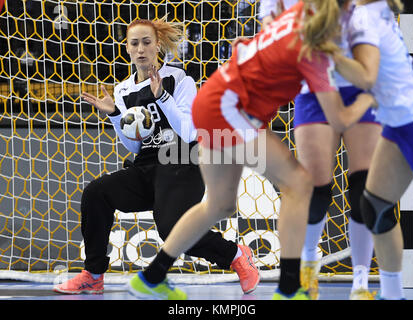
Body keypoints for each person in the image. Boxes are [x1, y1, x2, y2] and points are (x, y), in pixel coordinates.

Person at [127, 0, 378, 300]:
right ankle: (288, 290)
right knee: (299, 184)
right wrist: (372, 98)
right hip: (230, 109)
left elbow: (250, 44)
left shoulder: (293, 16)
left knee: (219, 204)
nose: (353, 18)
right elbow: (339, 118)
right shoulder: (314, 49)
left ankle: (151, 277)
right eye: (350, 11)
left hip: (212, 99)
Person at [53, 17, 260, 295]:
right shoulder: (123, 90)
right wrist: (115, 115)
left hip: (181, 163)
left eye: (147, 42)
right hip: (146, 167)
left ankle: (235, 255)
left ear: (157, 45)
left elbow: (188, 133)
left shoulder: (179, 79)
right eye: (134, 43)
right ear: (126, 48)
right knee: (96, 193)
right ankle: (93, 274)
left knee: (170, 228)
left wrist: (162, 96)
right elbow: (135, 147)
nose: (141, 49)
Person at [260, 0, 380, 300]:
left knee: (364, 189)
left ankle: (361, 284)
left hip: (358, 80)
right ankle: (309, 265)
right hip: (312, 87)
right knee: (315, 190)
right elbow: (270, 34)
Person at [333, 0, 413, 300]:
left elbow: (367, 77)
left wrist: (326, 53)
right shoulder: (366, 12)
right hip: (398, 125)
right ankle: (392, 294)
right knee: (374, 206)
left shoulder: (363, 19)